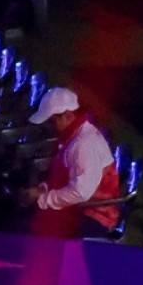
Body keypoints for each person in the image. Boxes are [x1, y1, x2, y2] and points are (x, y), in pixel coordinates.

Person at [27, 86, 121, 239]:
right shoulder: (73, 136)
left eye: (52, 121)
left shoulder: (83, 145)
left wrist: (44, 199)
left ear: (67, 116)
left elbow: (80, 192)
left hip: (94, 216)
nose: (49, 126)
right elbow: (63, 177)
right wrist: (42, 190)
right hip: (77, 207)